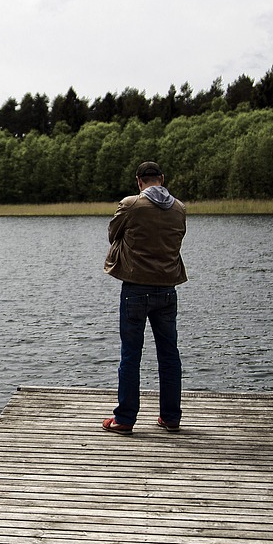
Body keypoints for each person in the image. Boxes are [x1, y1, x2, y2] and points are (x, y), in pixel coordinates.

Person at [101, 161, 187, 435]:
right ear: (161, 179)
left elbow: (113, 234)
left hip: (135, 289)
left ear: (139, 181)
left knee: (131, 355)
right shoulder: (179, 208)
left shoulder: (130, 205)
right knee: (169, 354)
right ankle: (171, 417)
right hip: (167, 290)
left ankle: (125, 419)